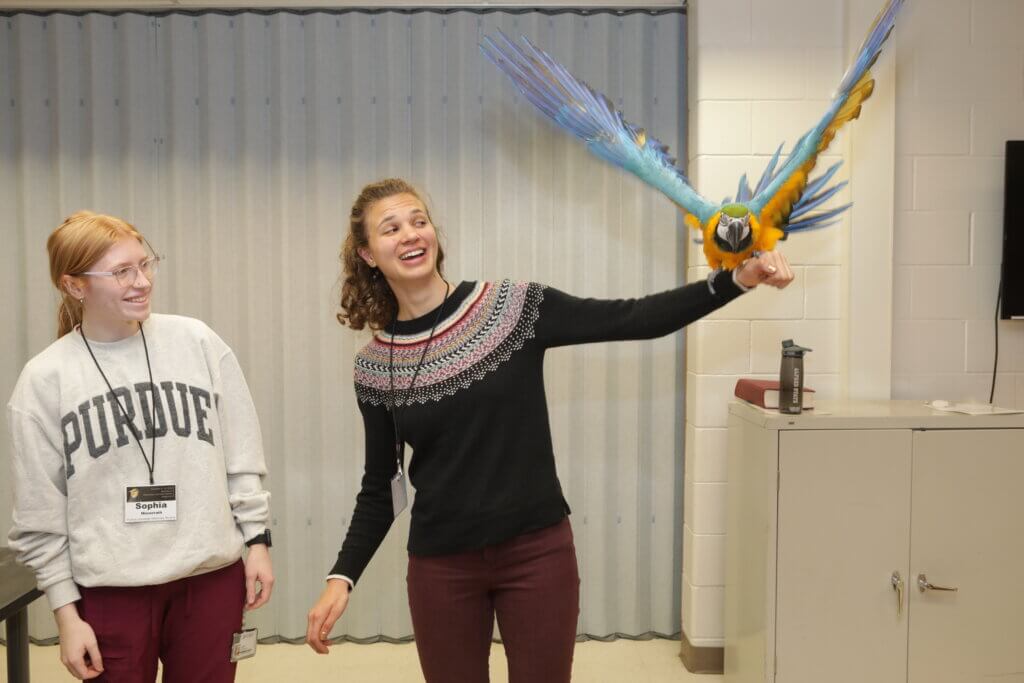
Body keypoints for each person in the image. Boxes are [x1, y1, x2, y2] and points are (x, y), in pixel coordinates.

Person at [305, 178, 792, 682]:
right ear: (367, 254)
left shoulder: (515, 308)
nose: (410, 234)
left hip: (535, 555)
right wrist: (341, 577)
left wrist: (736, 279)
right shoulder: (374, 366)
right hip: (441, 567)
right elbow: (380, 487)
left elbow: (637, 317)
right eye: (392, 228)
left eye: (419, 221)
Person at [7, 211, 274, 682]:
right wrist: (66, 615)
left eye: (145, 264)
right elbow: (39, 516)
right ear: (74, 287)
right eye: (121, 272)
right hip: (112, 592)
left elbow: (242, 454)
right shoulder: (45, 381)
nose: (141, 282)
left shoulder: (198, 342)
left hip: (208, 580)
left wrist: (256, 541)